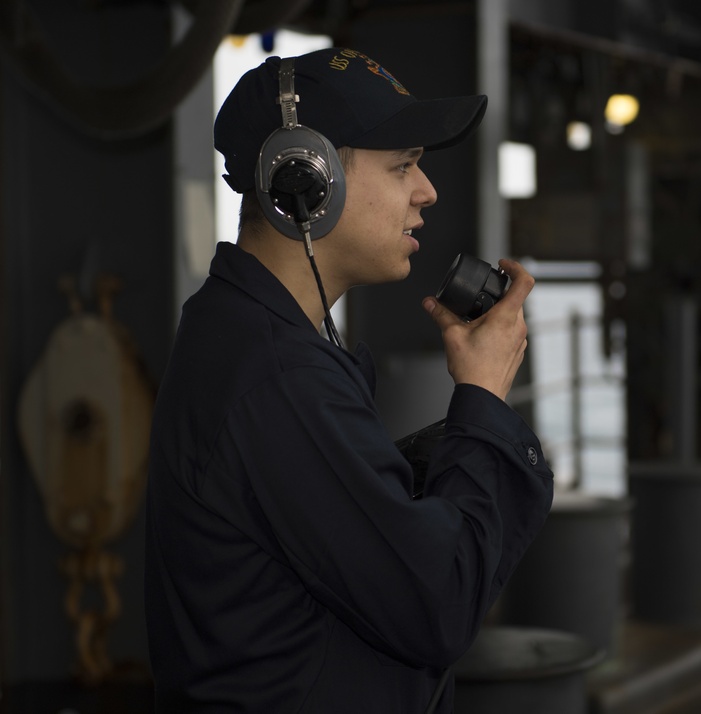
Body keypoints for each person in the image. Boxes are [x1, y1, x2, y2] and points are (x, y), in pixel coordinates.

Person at [144, 47, 554, 712]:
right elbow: (437, 605)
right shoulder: (278, 376)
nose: (427, 191)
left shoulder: (248, 334)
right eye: (403, 166)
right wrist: (483, 398)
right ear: (306, 180)